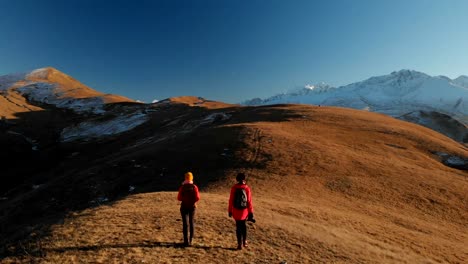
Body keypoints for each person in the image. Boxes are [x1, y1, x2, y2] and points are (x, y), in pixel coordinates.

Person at [228, 172, 255, 250]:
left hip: (236, 211)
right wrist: (251, 212)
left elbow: (231, 200)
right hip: (244, 211)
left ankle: (239, 244)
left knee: (238, 227)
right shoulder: (247, 188)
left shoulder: (234, 188)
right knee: (243, 226)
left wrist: (230, 211)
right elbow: (249, 201)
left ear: (237, 179)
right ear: (244, 179)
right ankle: (245, 242)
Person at [177, 172, 200, 246]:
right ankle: (191, 240)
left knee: (185, 224)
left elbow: (179, 198)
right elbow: (197, 198)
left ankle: (186, 241)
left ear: (185, 178)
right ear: (192, 178)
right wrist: (192, 201)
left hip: (184, 207)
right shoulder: (194, 187)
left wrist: (185, 199)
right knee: (191, 222)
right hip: (192, 207)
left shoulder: (182, 187)